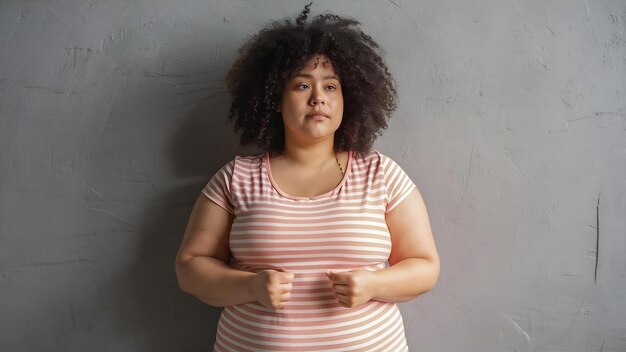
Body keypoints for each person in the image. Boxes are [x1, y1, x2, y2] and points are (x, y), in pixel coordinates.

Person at [175, 4, 439, 351]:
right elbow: (190, 268)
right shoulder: (237, 178)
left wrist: (374, 284)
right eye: (302, 85)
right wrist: (250, 286)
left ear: (349, 99)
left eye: (331, 87)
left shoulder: (381, 174)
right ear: (274, 99)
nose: (318, 98)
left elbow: (425, 266)